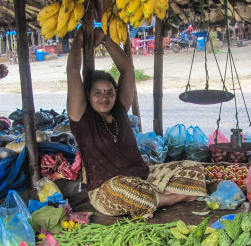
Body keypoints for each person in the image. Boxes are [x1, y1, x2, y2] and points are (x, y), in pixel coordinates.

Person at [66, 28, 207, 218]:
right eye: (97, 92)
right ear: (88, 95)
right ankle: (168, 199)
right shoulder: (82, 119)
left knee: (193, 168)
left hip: (145, 178)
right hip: (108, 190)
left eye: (109, 92)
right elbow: (73, 71)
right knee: (120, 189)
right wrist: (79, 39)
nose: (104, 97)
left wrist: (106, 39)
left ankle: (150, 200)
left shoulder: (120, 111)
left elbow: (127, 70)